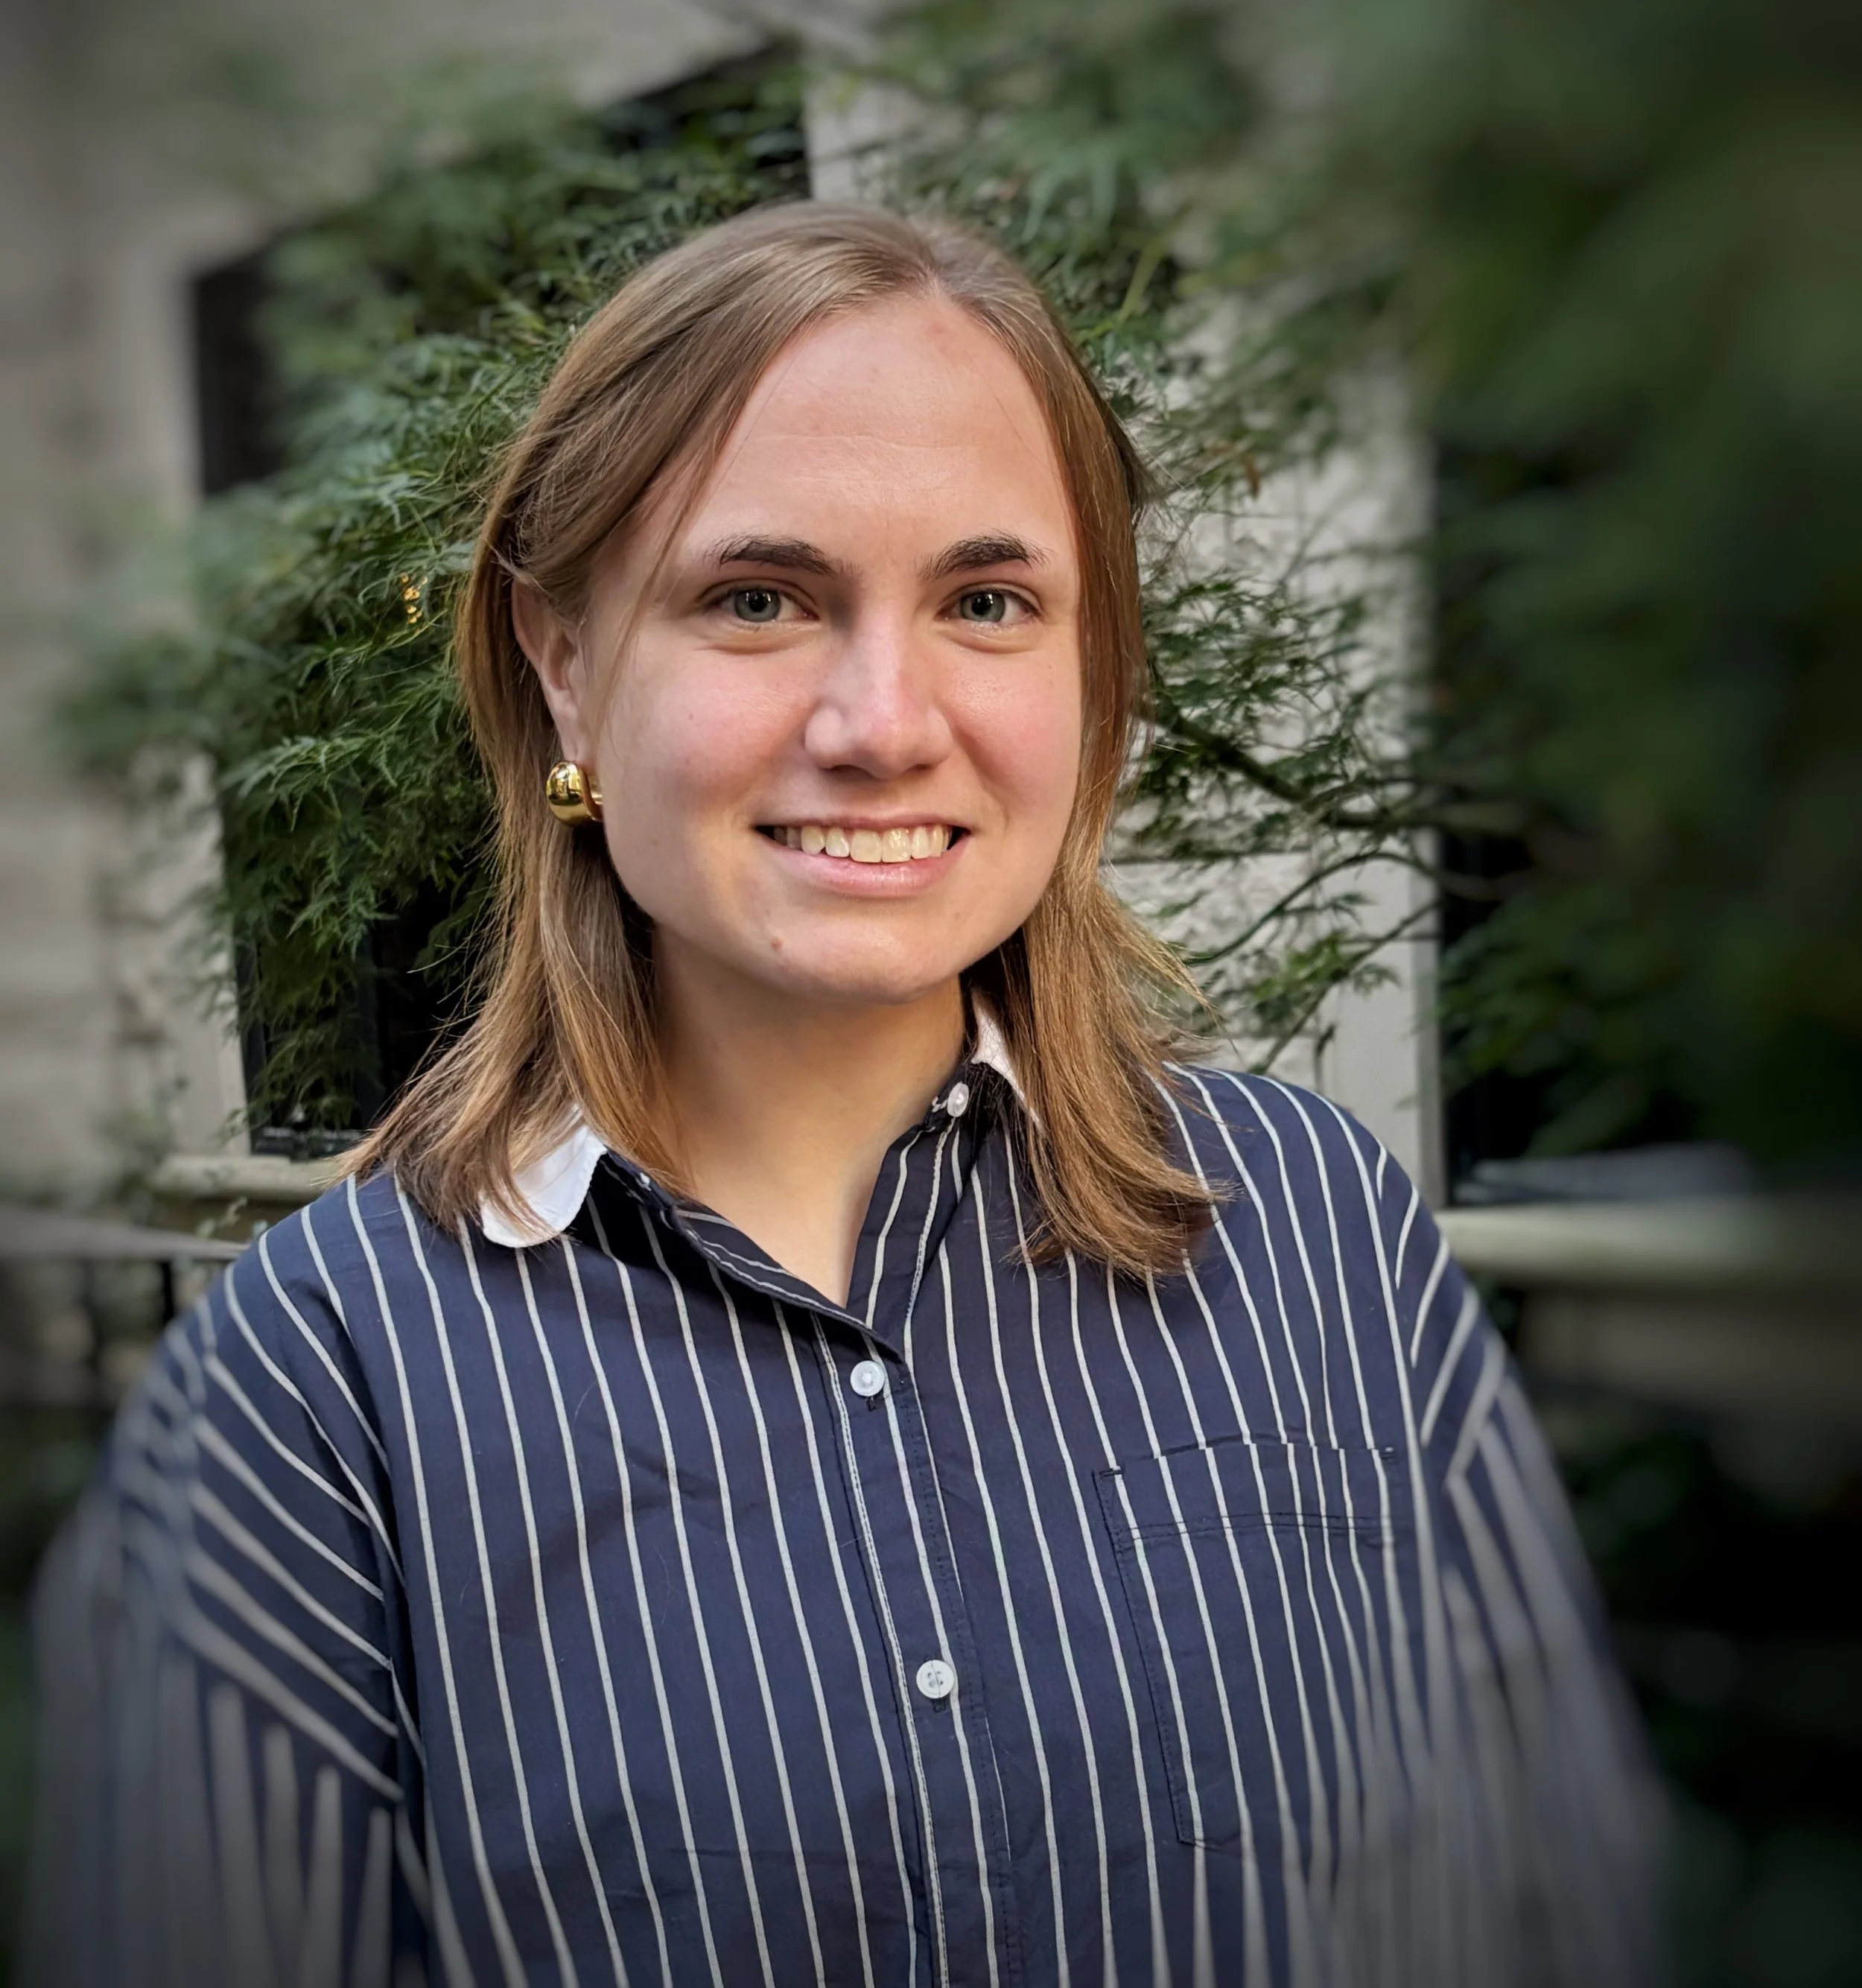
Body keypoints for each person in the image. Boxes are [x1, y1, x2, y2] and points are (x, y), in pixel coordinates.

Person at [26, 202, 1663, 1987]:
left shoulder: (1318, 1233)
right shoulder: (313, 1384)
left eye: (985, 602)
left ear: (1090, 671)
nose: (884, 724)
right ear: (564, 667)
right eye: (756, 600)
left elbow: (1556, 1911)